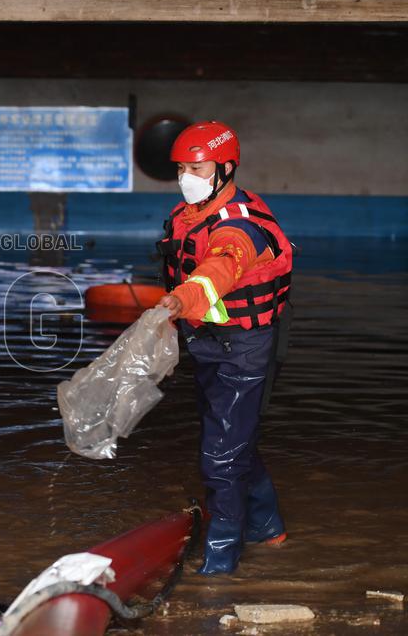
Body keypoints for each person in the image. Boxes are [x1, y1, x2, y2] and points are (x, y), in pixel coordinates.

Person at [156, 121, 293, 575]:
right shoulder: (189, 214)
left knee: (220, 456)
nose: (186, 177)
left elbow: (218, 270)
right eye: (181, 168)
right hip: (208, 341)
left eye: (196, 167)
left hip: (244, 346)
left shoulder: (239, 228)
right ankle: (267, 527)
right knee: (233, 440)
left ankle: (219, 567)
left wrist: (180, 300)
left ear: (226, 167)